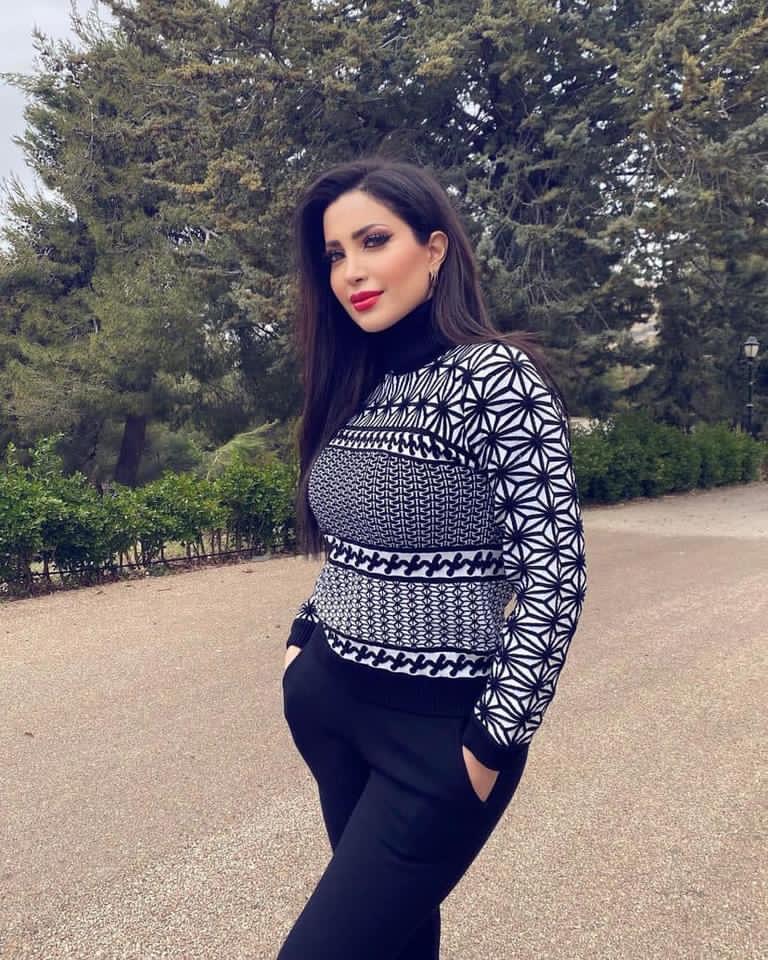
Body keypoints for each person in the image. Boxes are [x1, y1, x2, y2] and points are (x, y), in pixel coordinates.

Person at [277, 156, 588, 959]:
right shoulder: (361, 384)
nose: (351, 271)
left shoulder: (495, 378)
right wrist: (303, 639)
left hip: (436, 737)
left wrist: (492, 742)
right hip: (332, 706)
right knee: (400, 943)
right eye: (334, 255)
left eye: (373, 241)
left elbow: (554, 572)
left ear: (435, 248)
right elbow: (352, 540)